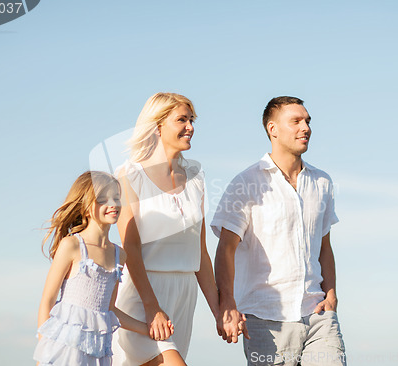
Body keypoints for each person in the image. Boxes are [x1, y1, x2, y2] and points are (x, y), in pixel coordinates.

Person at [212, 96, 346, 366]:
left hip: (318, 315)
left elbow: (324, 246)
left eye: (307, 121)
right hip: (265, 321)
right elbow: (226, 248)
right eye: (296, 121)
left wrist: (330, 294)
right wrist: (226, 302)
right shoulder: (246, 183)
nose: (305, 127)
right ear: (272, 129)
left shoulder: (322, 182)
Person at [112, 93, 226, 366]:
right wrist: (152, 308)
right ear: (158, 126)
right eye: (182, 120)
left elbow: (201, 254)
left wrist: (218, 311)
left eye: (192, 120)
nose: (190, 127)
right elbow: (131, 248)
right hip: (143, 295)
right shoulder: (129, 174)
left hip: (184, 296)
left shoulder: (196, 178)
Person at [34, 171, 164, 366]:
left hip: (97, 352)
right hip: (64, 351)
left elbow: (109, 310)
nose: (113, 204)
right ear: (85, 207)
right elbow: (48, 300)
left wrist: (147, 329)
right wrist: (46, 349)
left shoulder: (120, 255)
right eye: (102, 199)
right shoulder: (72, 246)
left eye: (116, 197)